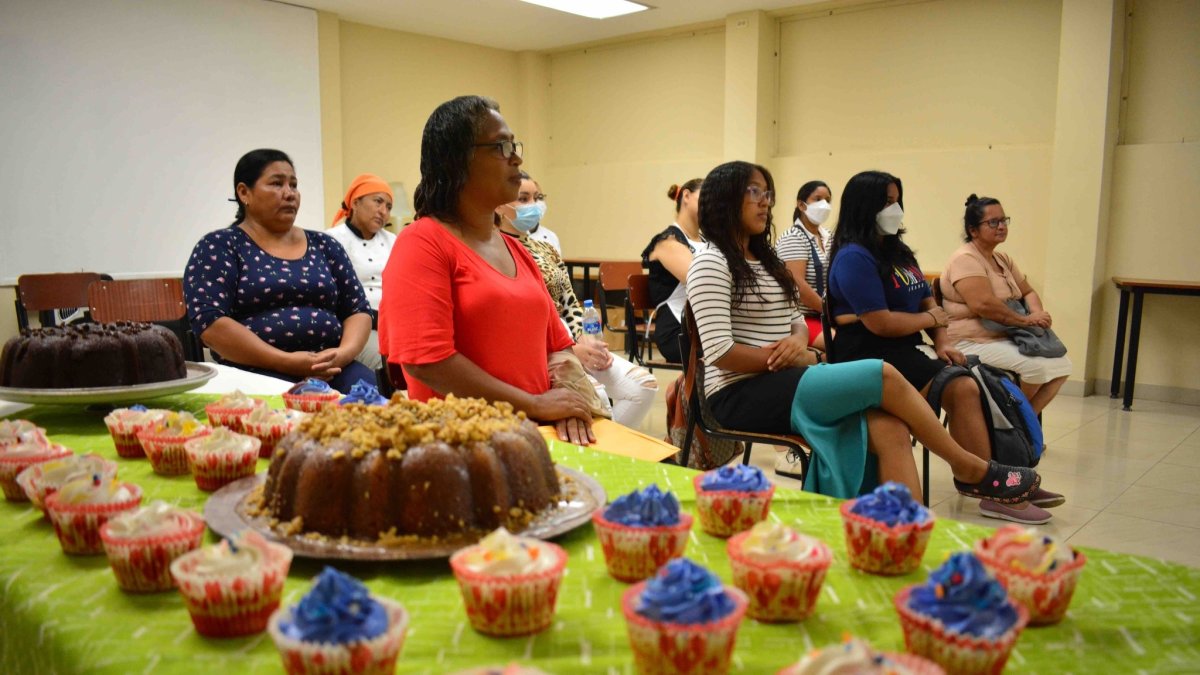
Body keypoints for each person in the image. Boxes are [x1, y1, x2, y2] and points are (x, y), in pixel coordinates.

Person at [687, 160, 1040, 503]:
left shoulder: (767, 261)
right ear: (725, 198)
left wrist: (798, 343)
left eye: (767, 192)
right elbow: (719, 352)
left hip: (787, 375)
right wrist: (782, 359)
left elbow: (796, 318)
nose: (765, 201)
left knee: (892, 430)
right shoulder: (710, 261)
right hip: (738, 392)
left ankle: (905, 537)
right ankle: (971, 468)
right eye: (754, 191)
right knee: (883, 373)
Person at [826, 170, 1061, 524]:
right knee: (962, 386)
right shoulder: (853, 257)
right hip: (867, 354)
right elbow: (882, 323)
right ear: (866, 207)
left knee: (975, 382)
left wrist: (942, 340)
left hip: (905, 349)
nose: (896, 210)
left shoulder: (898, 251)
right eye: (888, 202)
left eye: (897, 201)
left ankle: (993, 477)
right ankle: (988, 483)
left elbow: (924, 300)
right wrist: (932, 322)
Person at [378, 95, 594, 445]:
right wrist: (534, 404)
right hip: (462, 443)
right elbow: (427, 362)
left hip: (533, 432)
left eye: (514, 145)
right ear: (458, 160)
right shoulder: (421, 243)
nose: (516, 157)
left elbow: (558, 345)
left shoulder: (514, 249)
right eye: (500, 146)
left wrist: (566, 403)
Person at [183, 149, 375, 394]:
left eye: (293, 185)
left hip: (334, 368)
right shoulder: (220, 246)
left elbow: (357, 309)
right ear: (244, 193)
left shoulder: (325, 245)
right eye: (277, 184)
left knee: (377, 410)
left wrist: (341, 354)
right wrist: (285, 360)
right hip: (255, 371)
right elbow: (210, 322)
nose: (289, 194)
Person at [497, 172, 658, 430]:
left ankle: (606, 453)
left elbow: (570, 302)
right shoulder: (497, 249)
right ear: (500, 205)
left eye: (537, 198)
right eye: (523, 199)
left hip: (569, 340)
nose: (534, 205)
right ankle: (602, 455)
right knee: (599, 400)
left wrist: (584, 338)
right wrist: (571, 350)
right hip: (544, 351)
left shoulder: (545, 248)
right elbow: (524, 318)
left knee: (643, 387)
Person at [941, 194, 1071, 414]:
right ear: (973, 230)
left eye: (1004, 220)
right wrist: (1026, 320)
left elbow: (1028, 292)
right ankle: (1012, 420)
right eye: (993, 222)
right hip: (971, 341)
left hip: (1005, 336)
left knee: (1062, 366)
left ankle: (1020, 425)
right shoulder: (965, 259)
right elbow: (984, 305)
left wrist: (1038, 315)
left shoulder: (1002, 259)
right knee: (1036, 368)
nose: (1001, 226)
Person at [326, 173, 398, 371]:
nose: (383, 211)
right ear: (356, 203)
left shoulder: (394, 241)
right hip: (355, 326)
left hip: (393, 324)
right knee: (388, 363)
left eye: (388, 207)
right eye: (378, 202)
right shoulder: (331, 240)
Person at [640, 179, 705, 363]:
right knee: (733, 351)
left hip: (702, 327)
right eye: (705, 197)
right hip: (677, 332)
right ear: (686, 196)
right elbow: (702, 283)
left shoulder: (707, 241)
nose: (711, 204)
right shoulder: (668, 242)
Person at [776, 180, 833, 350]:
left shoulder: (829, 236)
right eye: (818, 199)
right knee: (841, 345)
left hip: (827, 314)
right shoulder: (792, 238)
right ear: (801, 205)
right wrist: (831, 313)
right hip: (803, 318)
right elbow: (798, 286)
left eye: (828, 200)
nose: (824, 205)